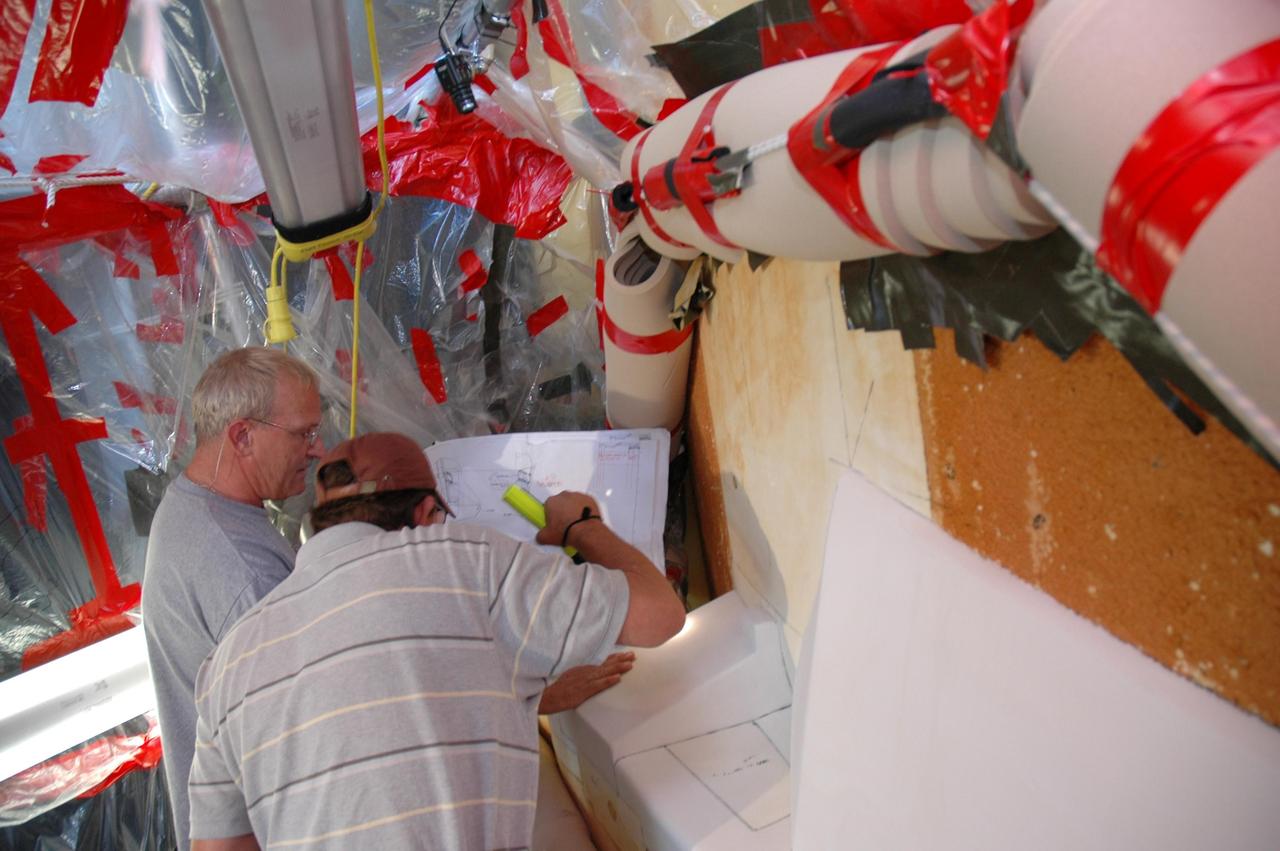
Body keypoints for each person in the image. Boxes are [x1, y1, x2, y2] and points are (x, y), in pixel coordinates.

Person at [187, 432, 685, 851]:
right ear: (427, 513)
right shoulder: (464, 557)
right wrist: (580, 525)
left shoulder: (225, 666)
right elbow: (660, 614)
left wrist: (525, 693)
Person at [142, 347, 326, 851]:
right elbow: (306, 731)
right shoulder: (243, 570)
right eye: (303, 434)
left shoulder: (190, 505)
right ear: (243, 436)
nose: (317, 449)